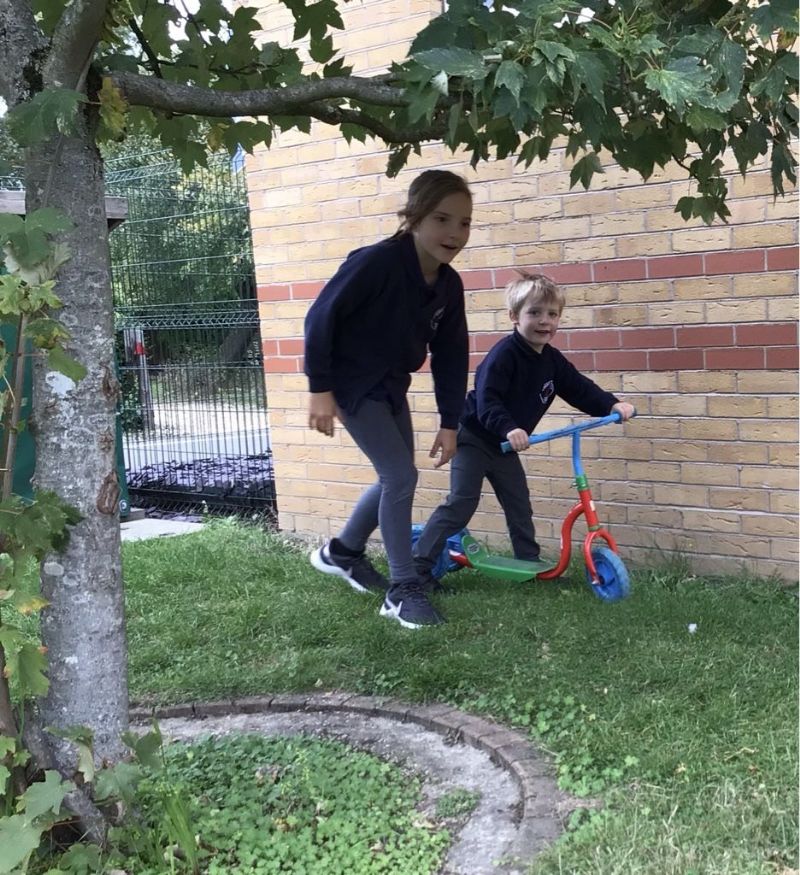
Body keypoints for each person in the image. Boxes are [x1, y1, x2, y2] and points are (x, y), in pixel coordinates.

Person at [303, 169, 473, 629]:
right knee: (400, 476)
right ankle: (403, 589)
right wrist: (319, 388)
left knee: (394, 477)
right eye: (442, 219)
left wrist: (450, 421)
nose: (454, 233)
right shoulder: (376, 263)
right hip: (352, 384)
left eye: (464, 223)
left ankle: (341, 553)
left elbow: (452, 354)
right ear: (414, 217)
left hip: (392, 386)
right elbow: (320, 319)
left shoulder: (448, 286)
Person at [413, 272, 636, 602]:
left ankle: (529, 564)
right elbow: (488, 399)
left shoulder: (551, 360)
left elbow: (578, 388)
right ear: (514, 317)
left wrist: (611, 404)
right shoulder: (504, 355)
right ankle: (418, 568)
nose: (544, 322)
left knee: (519, 502)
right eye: (534, 313)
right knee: (461, 502)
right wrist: (509, 427)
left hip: (503, 446)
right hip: (474, 437)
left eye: (552, 314)